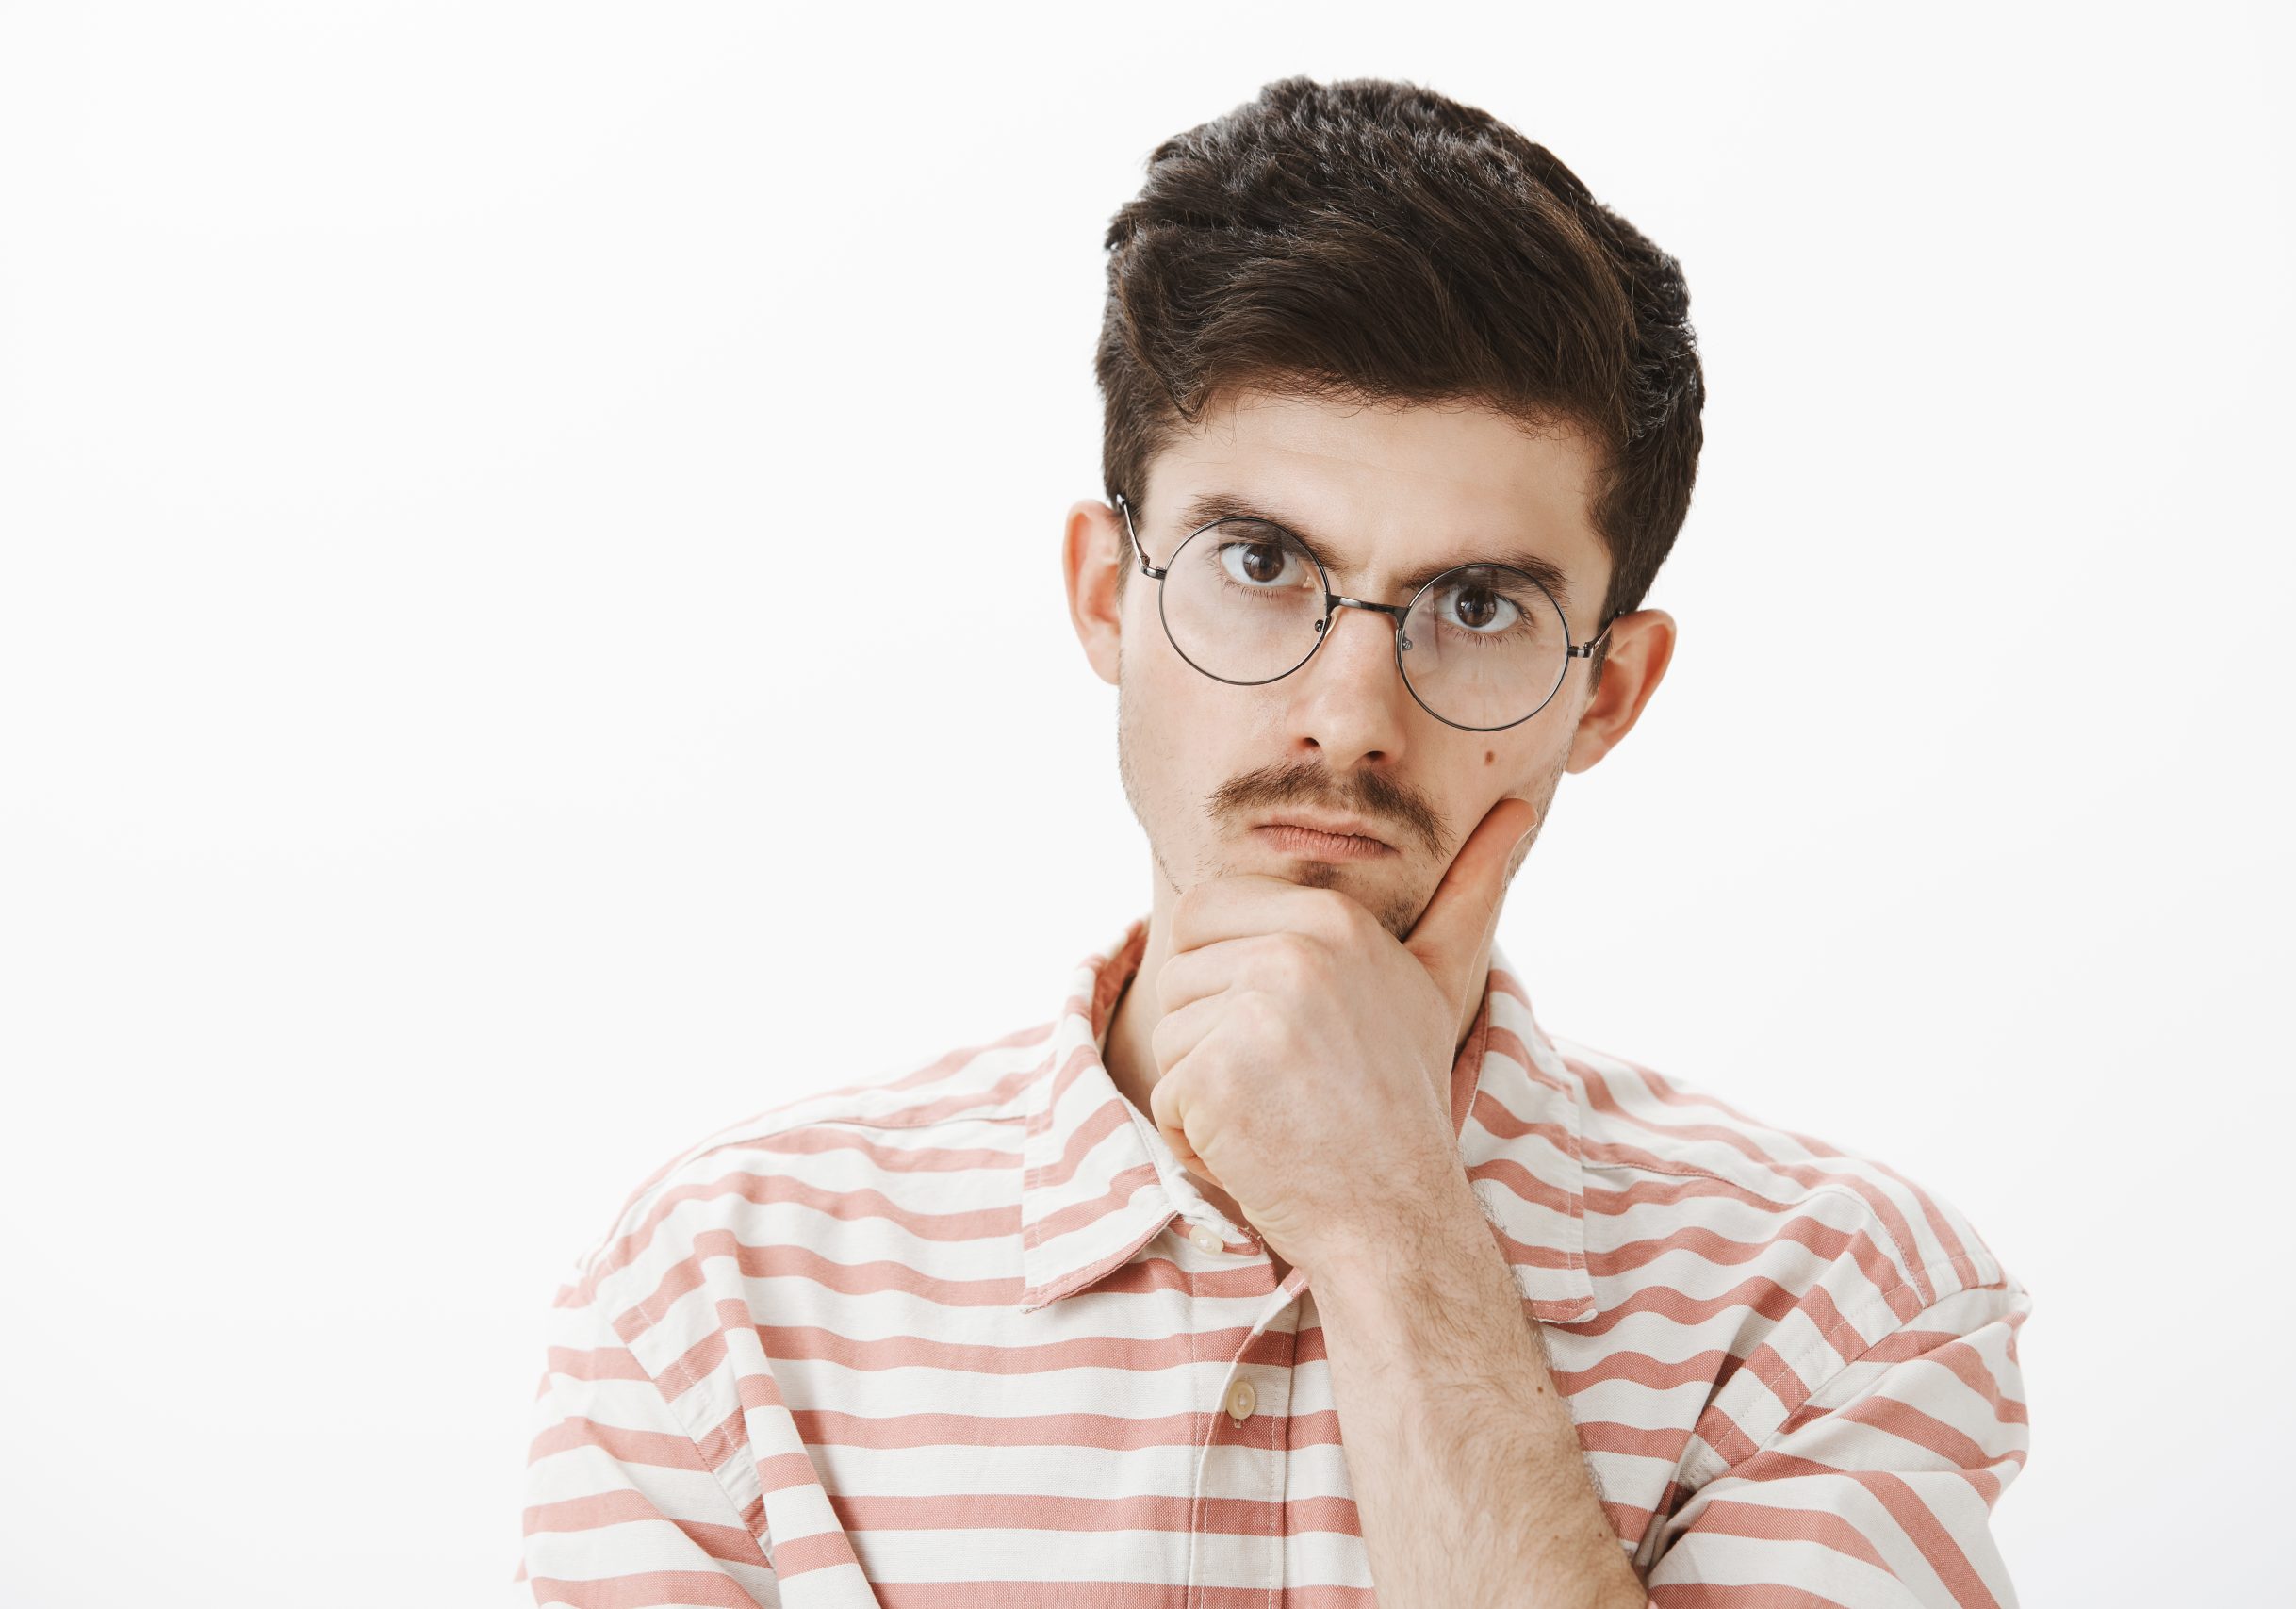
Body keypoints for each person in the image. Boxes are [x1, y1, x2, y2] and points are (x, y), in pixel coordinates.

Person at [517, 74, 2030, 1609]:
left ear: (1609, 692)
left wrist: (1393, 1224)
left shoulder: (1836, 1309)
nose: (1348, 715)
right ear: (1108, 594)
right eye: (1259, 563)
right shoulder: (719, 1301)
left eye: (1478, 606)